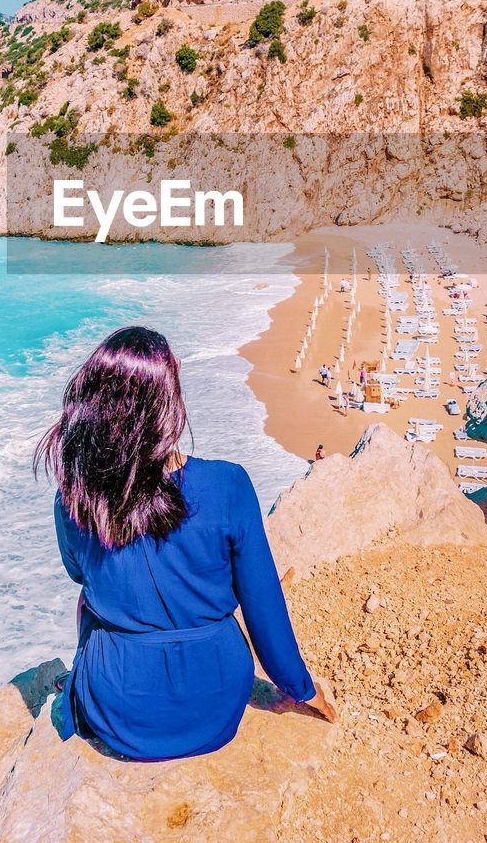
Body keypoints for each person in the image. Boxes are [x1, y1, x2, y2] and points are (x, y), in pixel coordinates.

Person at [36, 326, 336, 760]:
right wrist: (303, 690)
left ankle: (87, 675)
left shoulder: (75, 498)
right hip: (215, 702)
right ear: (168, 403)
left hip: (119, 710)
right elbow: (263, 607)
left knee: (89, 601)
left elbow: (78, 573)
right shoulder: (228, 483)